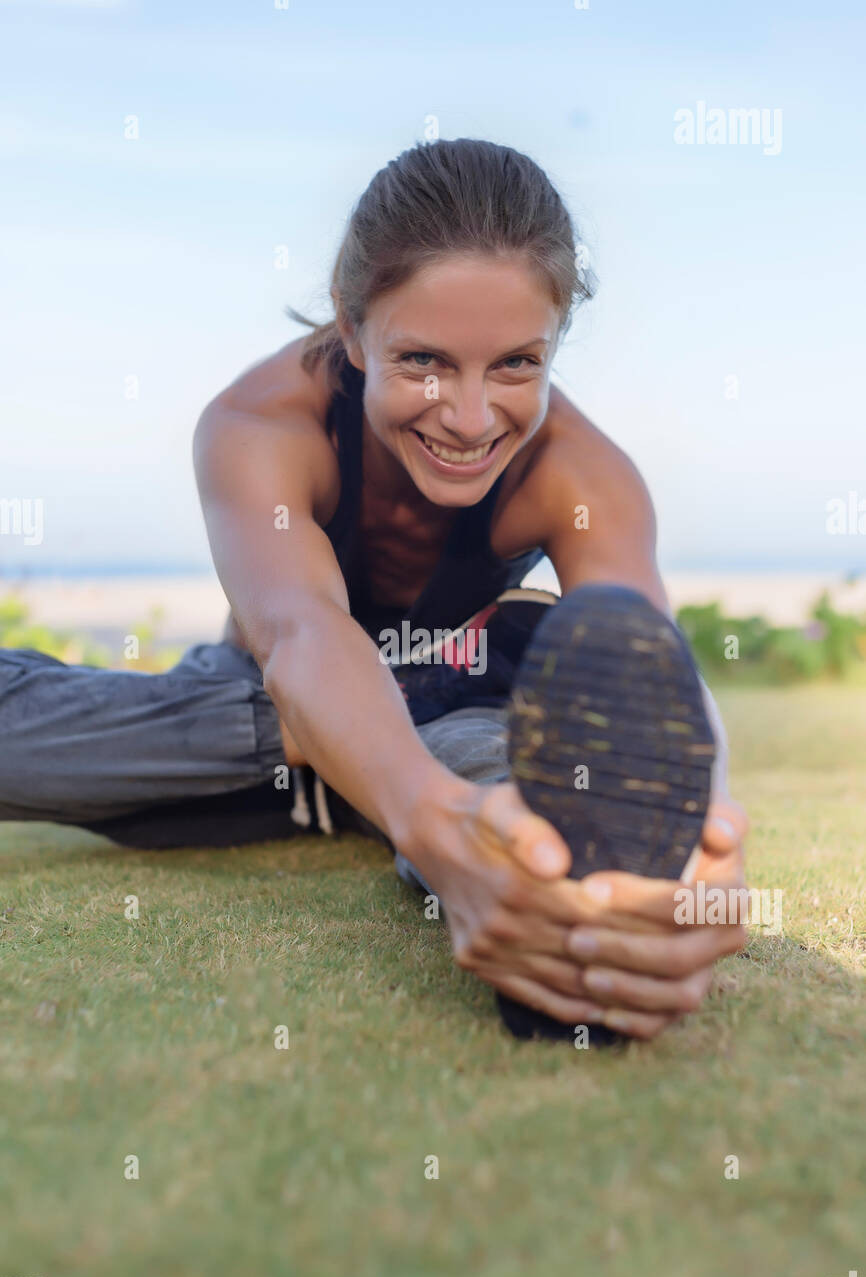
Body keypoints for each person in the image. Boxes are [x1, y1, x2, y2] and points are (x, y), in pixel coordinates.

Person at [0, 138, 747, 1043]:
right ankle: (383, 794)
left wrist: (698, 835)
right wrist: (430, 823)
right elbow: (303, 636)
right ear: (351, 328)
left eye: (516, 364)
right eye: (424, 361)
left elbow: (651, 667)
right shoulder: (261, 426)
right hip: (264, 712)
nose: (470, 419)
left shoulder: (586, 477)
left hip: (460, 720)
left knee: (537, 816)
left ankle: (496, 859)